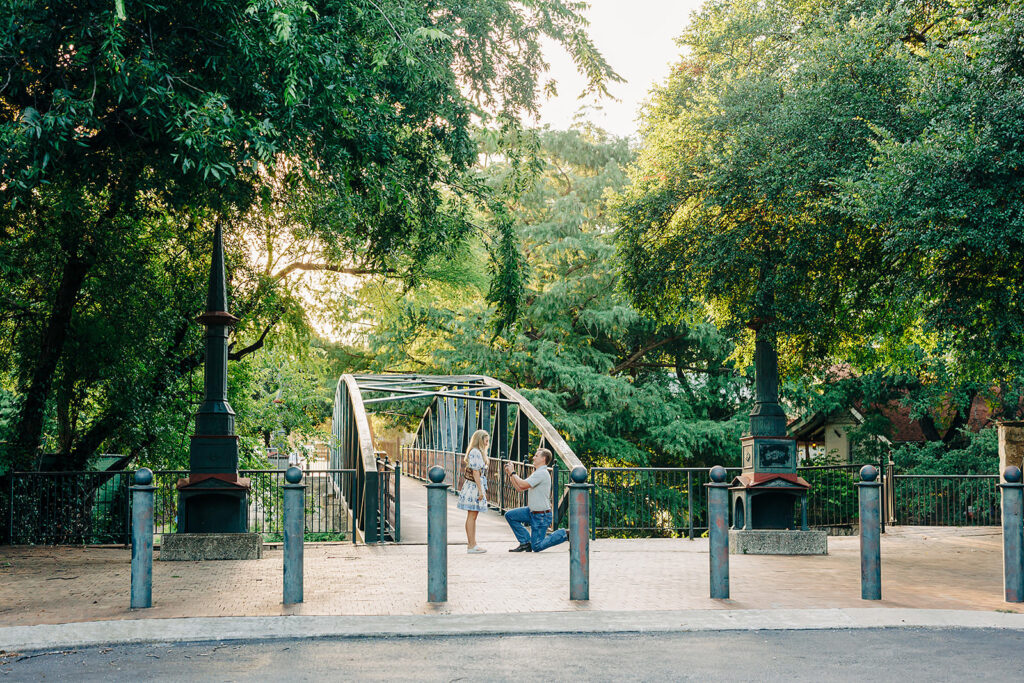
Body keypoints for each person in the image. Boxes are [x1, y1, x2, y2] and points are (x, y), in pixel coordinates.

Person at [503, 447, 568, 552]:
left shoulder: (541, 473)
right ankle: (525, 543)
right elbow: (520, 488)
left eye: (536, 456)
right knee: (510, 516)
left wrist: (513, 472)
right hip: (532, 512)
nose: (533, 458)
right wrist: (510, 474)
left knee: (537, 547)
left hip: (541, 515)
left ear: (543, 458)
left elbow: (523, 484)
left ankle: (564, 534)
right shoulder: (537, 472)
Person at [456, 429, 490, 554]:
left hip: (474, 486)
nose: (487, 443)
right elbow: (476, 472)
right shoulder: (475, 452)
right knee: (472, 516)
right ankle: (471, 545)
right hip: (474, 487)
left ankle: (473, 544)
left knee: (473, 516)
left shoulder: (477, 452)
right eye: (486, 441)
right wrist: (481, 491)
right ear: (480, 440)